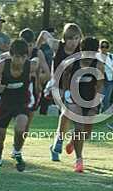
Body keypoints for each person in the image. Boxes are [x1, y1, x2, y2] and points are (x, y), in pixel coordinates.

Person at [36, 23, 82, 161]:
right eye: (70, 39)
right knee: (66, 111)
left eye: (76, 38)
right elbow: (44, 33)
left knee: (72, 116)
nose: (73, 42)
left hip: (73, 89)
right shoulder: (57, 46)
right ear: (65, 38)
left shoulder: (81, 50)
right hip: (56, 87)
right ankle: (59, 141)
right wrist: (35, 49)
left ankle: (56, 144)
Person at [0, 39, 31, 173]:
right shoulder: (2, 66)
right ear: (11, 55)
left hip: (21, 103)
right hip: (5, 104)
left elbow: (45, 75)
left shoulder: (31, 65)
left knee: (21, 128)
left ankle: (17, 152)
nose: (20, 60)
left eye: (23, 57)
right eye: (17, 57)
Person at [62, 37, 104, 172]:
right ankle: (79, 160)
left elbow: (99, 86)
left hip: (90, 100)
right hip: (74, 99)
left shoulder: (98, 65)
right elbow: (65, 77)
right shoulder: (73, 62)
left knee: (86, 133)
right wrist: (66, 93)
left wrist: (96, 103)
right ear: (81, 50)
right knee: (79, 128)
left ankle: (73, 142)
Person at [98, 39, 113, 112]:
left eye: (106, 47)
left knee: (107, 98)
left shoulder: (112, 56)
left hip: (110, 80)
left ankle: (106, 114)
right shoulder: (96, 56)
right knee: (101, 98)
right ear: (99, 47)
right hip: (99, 81)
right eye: (102, 46)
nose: (104, 48)